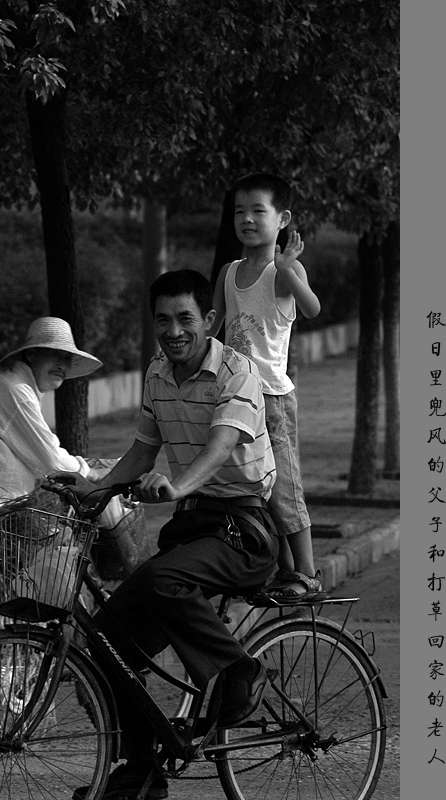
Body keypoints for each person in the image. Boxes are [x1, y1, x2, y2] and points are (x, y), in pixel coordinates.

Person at [52, 270, 279, 800]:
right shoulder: (157, 372)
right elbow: (142, 450)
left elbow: (220, 448)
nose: (173, 331)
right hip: (193, 528)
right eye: (162, 320)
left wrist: (176, 486)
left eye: (185, 319)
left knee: (161, 580)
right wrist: (95, 488)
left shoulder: (237, 373)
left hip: (243, 529)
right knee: (107, 640)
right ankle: (142, 771)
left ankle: (239, 670)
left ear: (210, 320)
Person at [210, 171, 323, 601]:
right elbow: (212, 325)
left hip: (272, 397)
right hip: (235, 395)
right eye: (239, 211)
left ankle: (307, 574)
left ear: (283, 219)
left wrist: (289, 270)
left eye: (258, 211)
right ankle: (285, 570)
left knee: (286, 485)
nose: (247, 219)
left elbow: (312, 308)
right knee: (257, 486)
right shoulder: (229, 272)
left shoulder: (283, 271)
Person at [0, 316, 130, 530]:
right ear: (31, 355)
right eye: (54, 354)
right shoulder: (14, 389)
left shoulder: (8, 383)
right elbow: (52, 461)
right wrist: (93, 474)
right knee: (85, 524)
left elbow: (42, 453)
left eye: (67, 358)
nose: (62, 365)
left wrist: (88, 468)